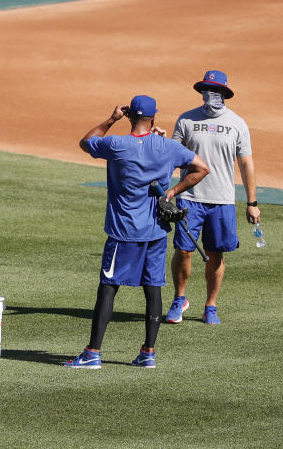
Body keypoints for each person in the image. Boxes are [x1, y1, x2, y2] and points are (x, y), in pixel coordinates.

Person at [65, 96, 209, 369]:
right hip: (155, 231)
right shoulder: (167, 146)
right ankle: (148, 353)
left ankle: (93, 352)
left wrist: (111, 119)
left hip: (123, 232)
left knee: (108, 288)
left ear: (129, 116)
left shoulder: (116, 144)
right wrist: (174, 191)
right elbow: (202, 168)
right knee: (153, 290)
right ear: (154, 118)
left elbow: (86, 142)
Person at [166, 70, 259, 326]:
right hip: (189, 197)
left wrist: (252, 203)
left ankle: (211, 305)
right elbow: (172, 157)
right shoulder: (186, 120)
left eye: (215, 91)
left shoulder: (237, 124)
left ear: (224, 94)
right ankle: (179, 299)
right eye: (206, 90)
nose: (210, 95)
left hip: (222, 200)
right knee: (183, 250)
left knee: (215, 253)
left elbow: (246, 164)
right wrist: (166, 189)